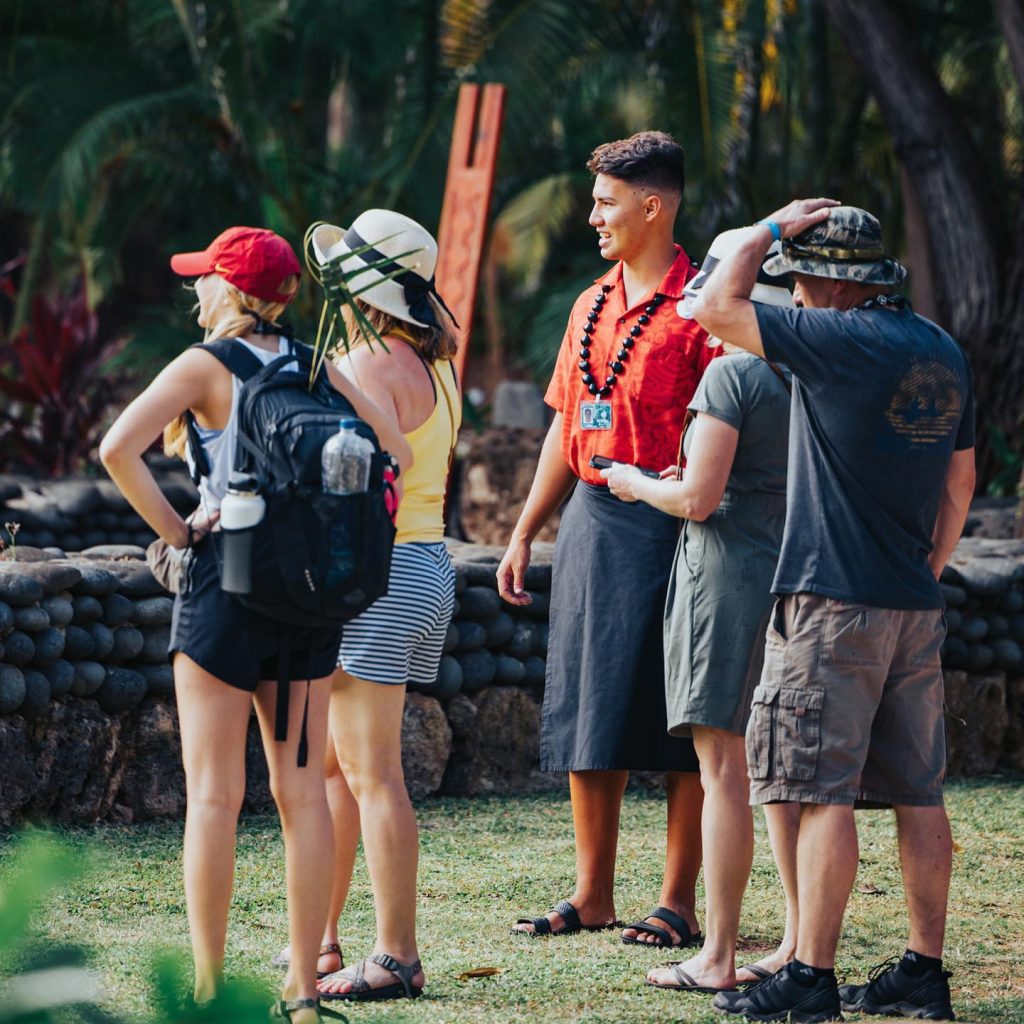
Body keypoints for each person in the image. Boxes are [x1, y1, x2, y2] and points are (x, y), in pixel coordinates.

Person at [100, 226, 412, 1024]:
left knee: (213, 795)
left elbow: (116, 450)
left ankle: (208, 989)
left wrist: (178, 533)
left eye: (203, 278)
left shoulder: (209, 364)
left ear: (232, 290)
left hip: (222, 591)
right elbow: (396, 455)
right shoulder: (317, 364)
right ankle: (303, 992)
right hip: (307, 599)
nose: (194, 290)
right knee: (301, 793)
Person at [692, 202, 975, 1023]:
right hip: (911, 604)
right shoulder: (939, 347)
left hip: (832, 602)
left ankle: (810, 977)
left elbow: (709, 303)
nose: (795, 297)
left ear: (825, 281)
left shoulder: (838, 340)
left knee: (821, 792)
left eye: (800, 281)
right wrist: (929, 565)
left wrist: (770, 228)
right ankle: (924, 970)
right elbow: (960, 481)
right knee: (919, 791)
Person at [498, 131, 716, 946]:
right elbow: (566, 423)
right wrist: (526, 530)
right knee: (589, 705)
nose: (592, 215)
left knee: (679, 713)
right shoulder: (590, 305)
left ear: (653, 206)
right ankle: (592, 894)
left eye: (606, 202)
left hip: (678, 525)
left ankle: (679, 901)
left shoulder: (704, 310)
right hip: (591, 518)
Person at [601, 231, 795, 995]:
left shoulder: (735, 378)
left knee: (724, 770)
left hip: (728, 579)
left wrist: (631, 480)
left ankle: (716, 951)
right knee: (782, 776)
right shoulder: (817, 374)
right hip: (797, 578)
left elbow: (696, 498)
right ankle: (792, 942)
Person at [278, 210, 457, 1002]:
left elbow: (369, 464)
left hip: (380, 575)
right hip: (429, 565)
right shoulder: (436, 363)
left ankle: (397, 954)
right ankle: (325, 938)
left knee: (372, 773)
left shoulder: (360, 365)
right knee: (335, 769)